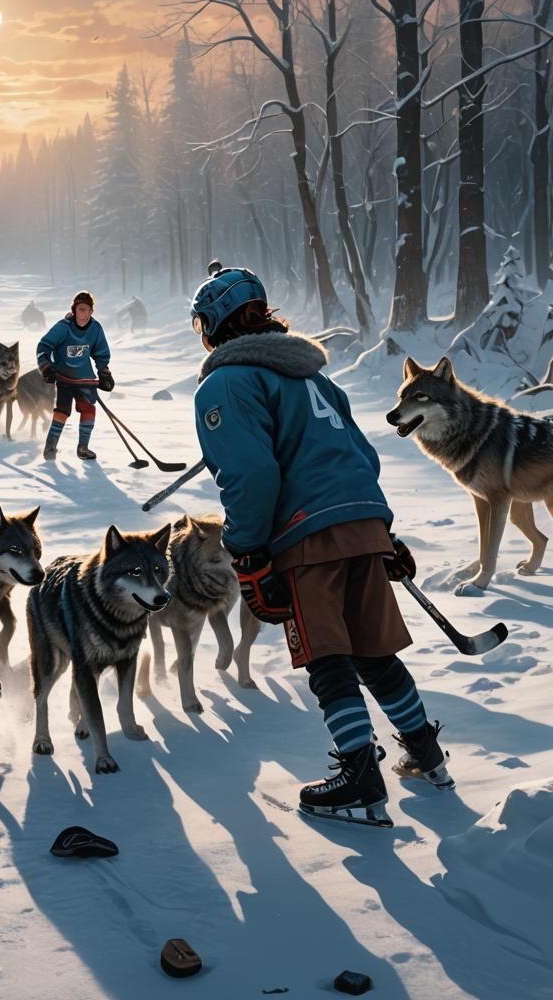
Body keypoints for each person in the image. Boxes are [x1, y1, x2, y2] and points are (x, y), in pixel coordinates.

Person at [190, 263, 453, 827]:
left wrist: (247, 549)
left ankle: (359, 775)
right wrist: (383, 531)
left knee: (326, 655)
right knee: (372, 651)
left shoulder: (226, 384)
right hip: (360, 524)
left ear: (212, 326)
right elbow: (362, 457)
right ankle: (425, 752)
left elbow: (251, 475)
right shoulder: (315, 379)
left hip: (305, 536)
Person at [36, 291, 114, 461]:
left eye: (88, 311)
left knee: (88, 409)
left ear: (92, 311)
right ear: (74, 310)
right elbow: (43, 347)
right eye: (81, 310)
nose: (84, 315)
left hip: (85, 379)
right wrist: (46, 367)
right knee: (63, 411)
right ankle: (50, 448)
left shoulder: (95, 329)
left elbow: (100, 353)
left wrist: (104, 373)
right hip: (64, 378)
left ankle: (83, 448)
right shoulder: (63, 327)